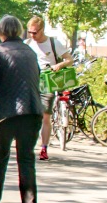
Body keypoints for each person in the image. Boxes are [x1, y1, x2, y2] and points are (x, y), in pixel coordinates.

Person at [0, 15, 44, 203]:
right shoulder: (30, 52)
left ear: (1, 31)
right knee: (26, 158)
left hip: (5, 112)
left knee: (0, 157)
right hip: (32, 111)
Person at [25, 13, 72, 161]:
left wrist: (59, 65)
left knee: (45, 115)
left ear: (42, 29)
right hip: (31, 82)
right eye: (30, 32)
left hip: (48, 82)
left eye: (35, 32)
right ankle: (28, 145)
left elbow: (69, 59)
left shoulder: (53, 43)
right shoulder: (27, 44)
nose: (32, 35)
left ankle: (44, 148)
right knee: (30, 116)